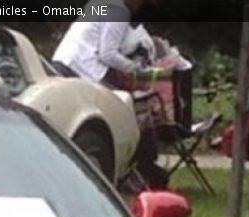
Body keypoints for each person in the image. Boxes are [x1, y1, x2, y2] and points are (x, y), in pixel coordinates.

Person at [52, 0, 170, 189]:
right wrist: (136, 70)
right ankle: (141, 169)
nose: (140, 8)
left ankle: (133, 169)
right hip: (82, 65)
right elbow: (107, 54)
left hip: (64, 61)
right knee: (127, 110)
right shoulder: (119, 10)